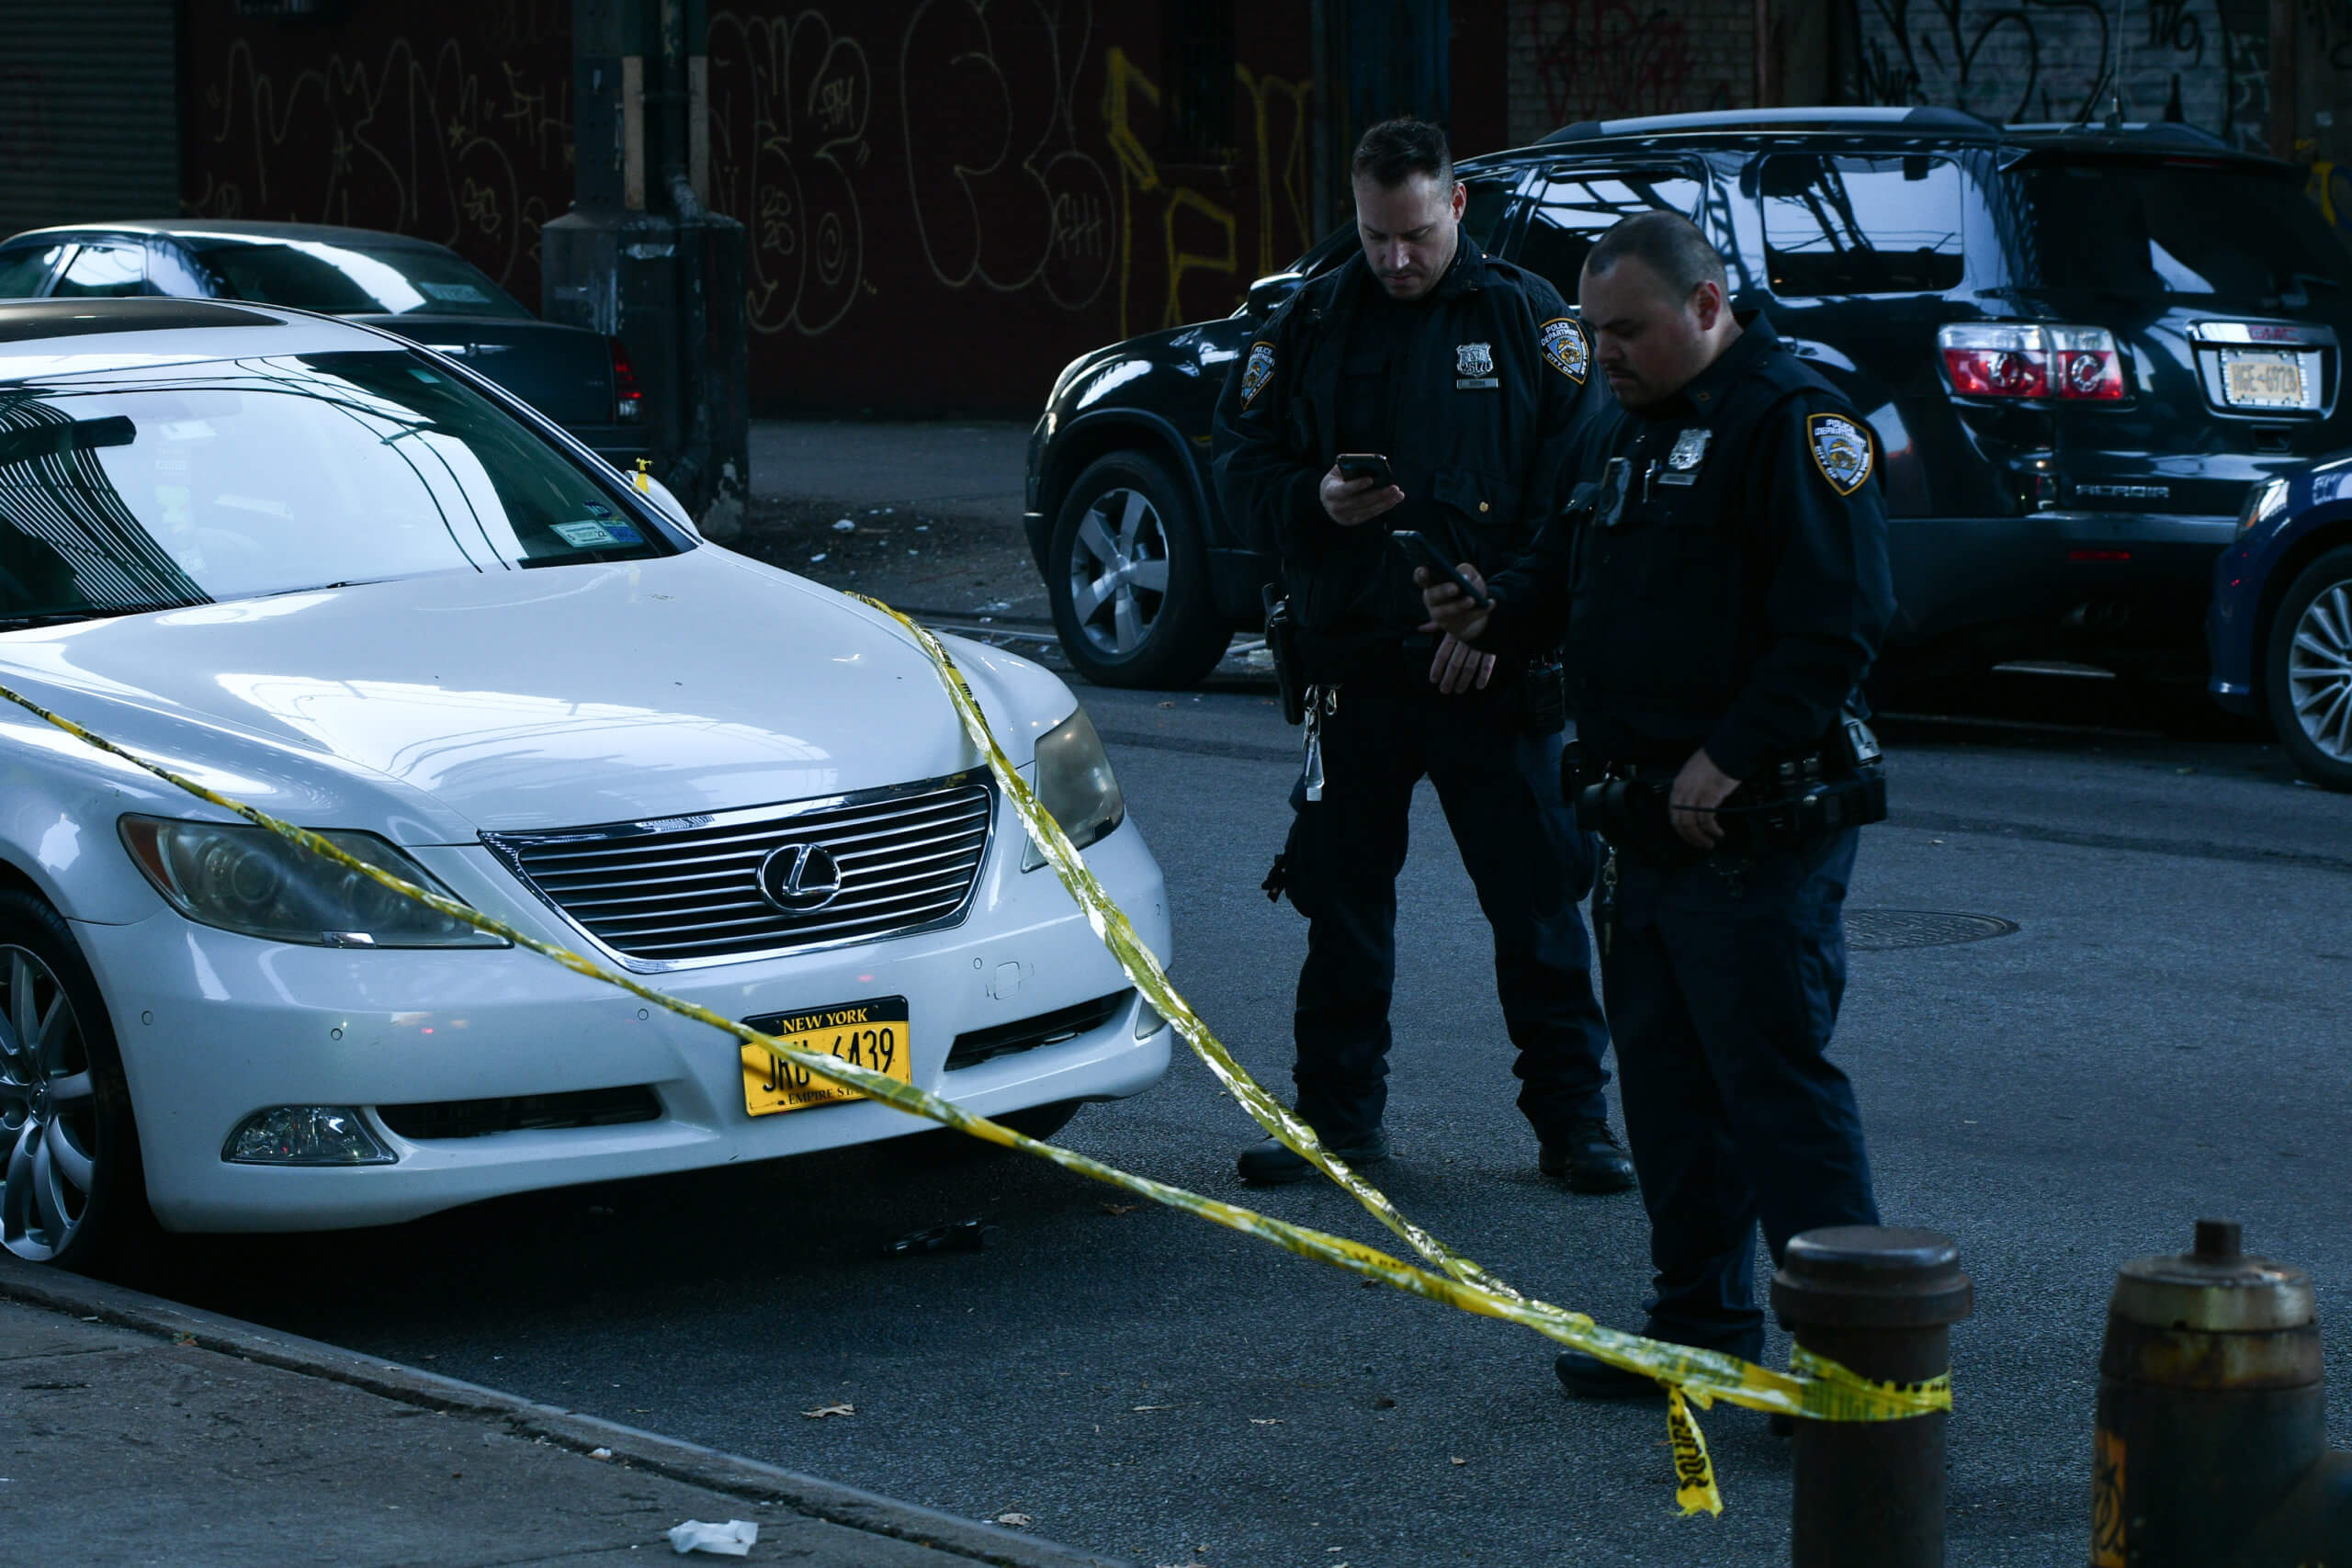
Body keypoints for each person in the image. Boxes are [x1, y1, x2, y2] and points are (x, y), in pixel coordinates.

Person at [1419, 209, 1894, 1396]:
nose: (1606, 351)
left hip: (1753, 827)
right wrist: (1494, 606)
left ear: (1706, 305)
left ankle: (1854, 1364)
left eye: (1627, 329)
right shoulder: (1620, 430)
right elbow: (1571, 565)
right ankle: (1698, 1327)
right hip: (1641, 827)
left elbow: (1838, 625)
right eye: (1593, 330)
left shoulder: (1790, 425)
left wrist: (1729, 753)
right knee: (1670, 1089)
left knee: (1775, 1089)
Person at [1211, 118, 1631, 1194]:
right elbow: (1240, 468)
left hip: (1487, 673)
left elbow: (1578, 501)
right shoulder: (1308, 318)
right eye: (1373, 235)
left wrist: (1497, 624)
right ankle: (1337, 1123)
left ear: (1456, 207)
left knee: (1536, 906)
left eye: (1413, 235)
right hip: (1356, 668)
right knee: (1341, 906)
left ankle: (1574, 1126)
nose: (1394, 259)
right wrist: (1313, 499)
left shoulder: (1530, 322)